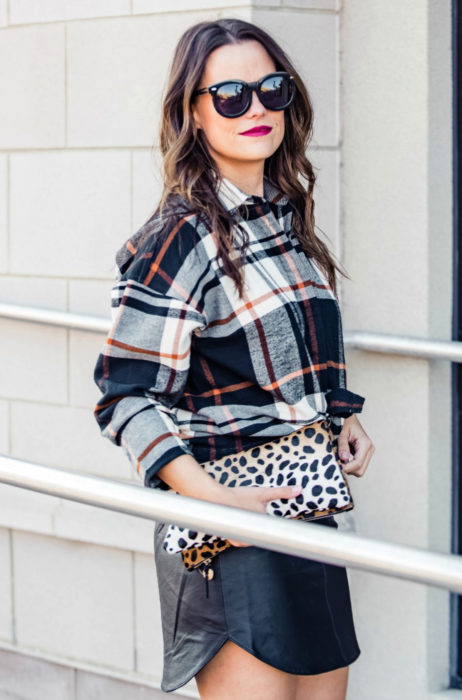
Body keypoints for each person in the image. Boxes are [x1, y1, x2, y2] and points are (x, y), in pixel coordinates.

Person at [93, 17, 375, 700]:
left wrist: (342, 415)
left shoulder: (284, 219)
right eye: (229, 96)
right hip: (229, 535)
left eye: (270, 89)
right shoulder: (180, 237)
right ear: (192, 111)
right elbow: (124, 395)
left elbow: (288, 355)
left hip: (307, 511)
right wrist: (216, 502)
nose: (255, 109)